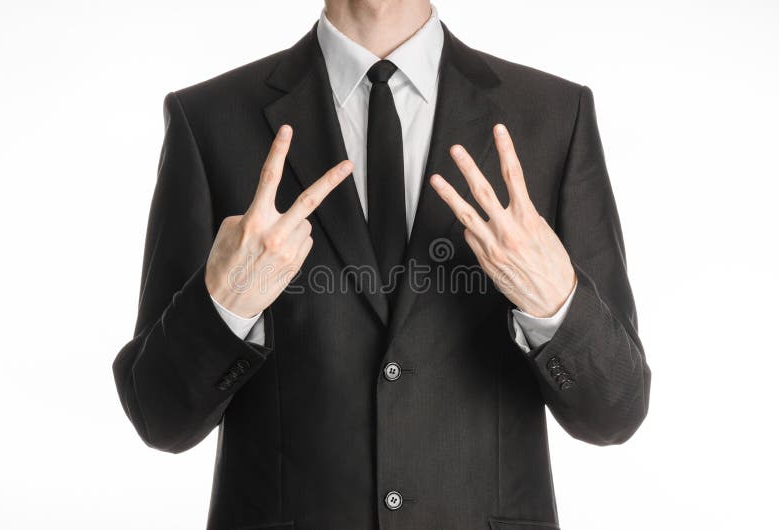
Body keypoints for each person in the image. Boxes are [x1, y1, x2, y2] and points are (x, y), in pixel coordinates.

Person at [112, 1, 651, 528]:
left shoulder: (554, 115)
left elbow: (615, 413)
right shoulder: (209, 120)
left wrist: (555, 305)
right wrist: (225, 304)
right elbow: (160, 419)